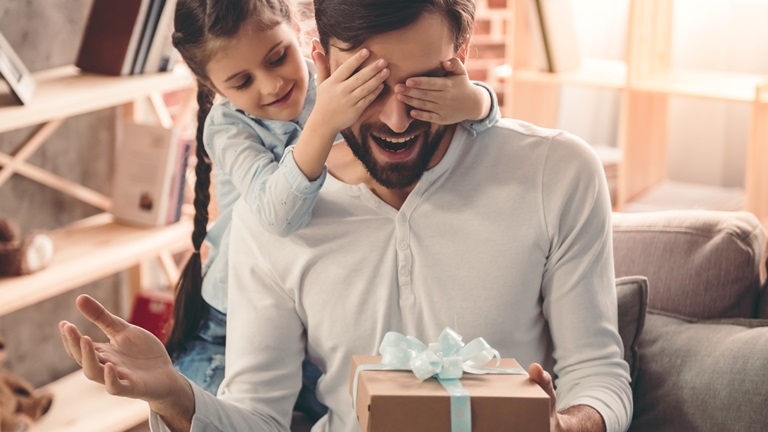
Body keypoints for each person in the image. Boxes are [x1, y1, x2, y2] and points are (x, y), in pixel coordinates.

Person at [59, 0, 633, 431]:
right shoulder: (276, 212)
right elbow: (260, 418)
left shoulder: (558, 173)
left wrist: (571, 423)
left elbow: (599, 374)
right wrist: (174, 397)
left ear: (459, 59)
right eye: (367, 85)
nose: (398, 119)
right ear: (323, 65)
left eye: (421, 83)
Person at [162, 0, 500, 420]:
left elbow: (477, 121)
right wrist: (324, 122)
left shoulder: (332, 81)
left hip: (310, 312)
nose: (270, 86)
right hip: (232, 322)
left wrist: (475, 101)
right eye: (242, 81)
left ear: (296, 31)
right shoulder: (228, 127)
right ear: (212, 85)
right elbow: (278, 217)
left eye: (278, 57)